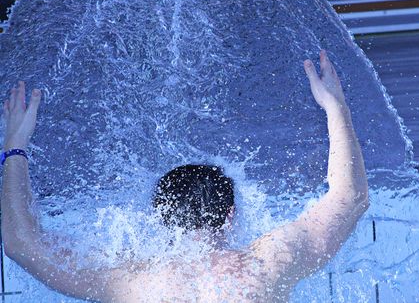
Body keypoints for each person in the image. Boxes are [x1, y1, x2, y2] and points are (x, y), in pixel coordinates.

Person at [1, 50, 369, 302]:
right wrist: (337, 110)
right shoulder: (267, 264)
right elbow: (348, 199)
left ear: (159, 218)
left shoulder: (134, 283)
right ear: (230, 215)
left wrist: (15, 144)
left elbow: (21, 243)